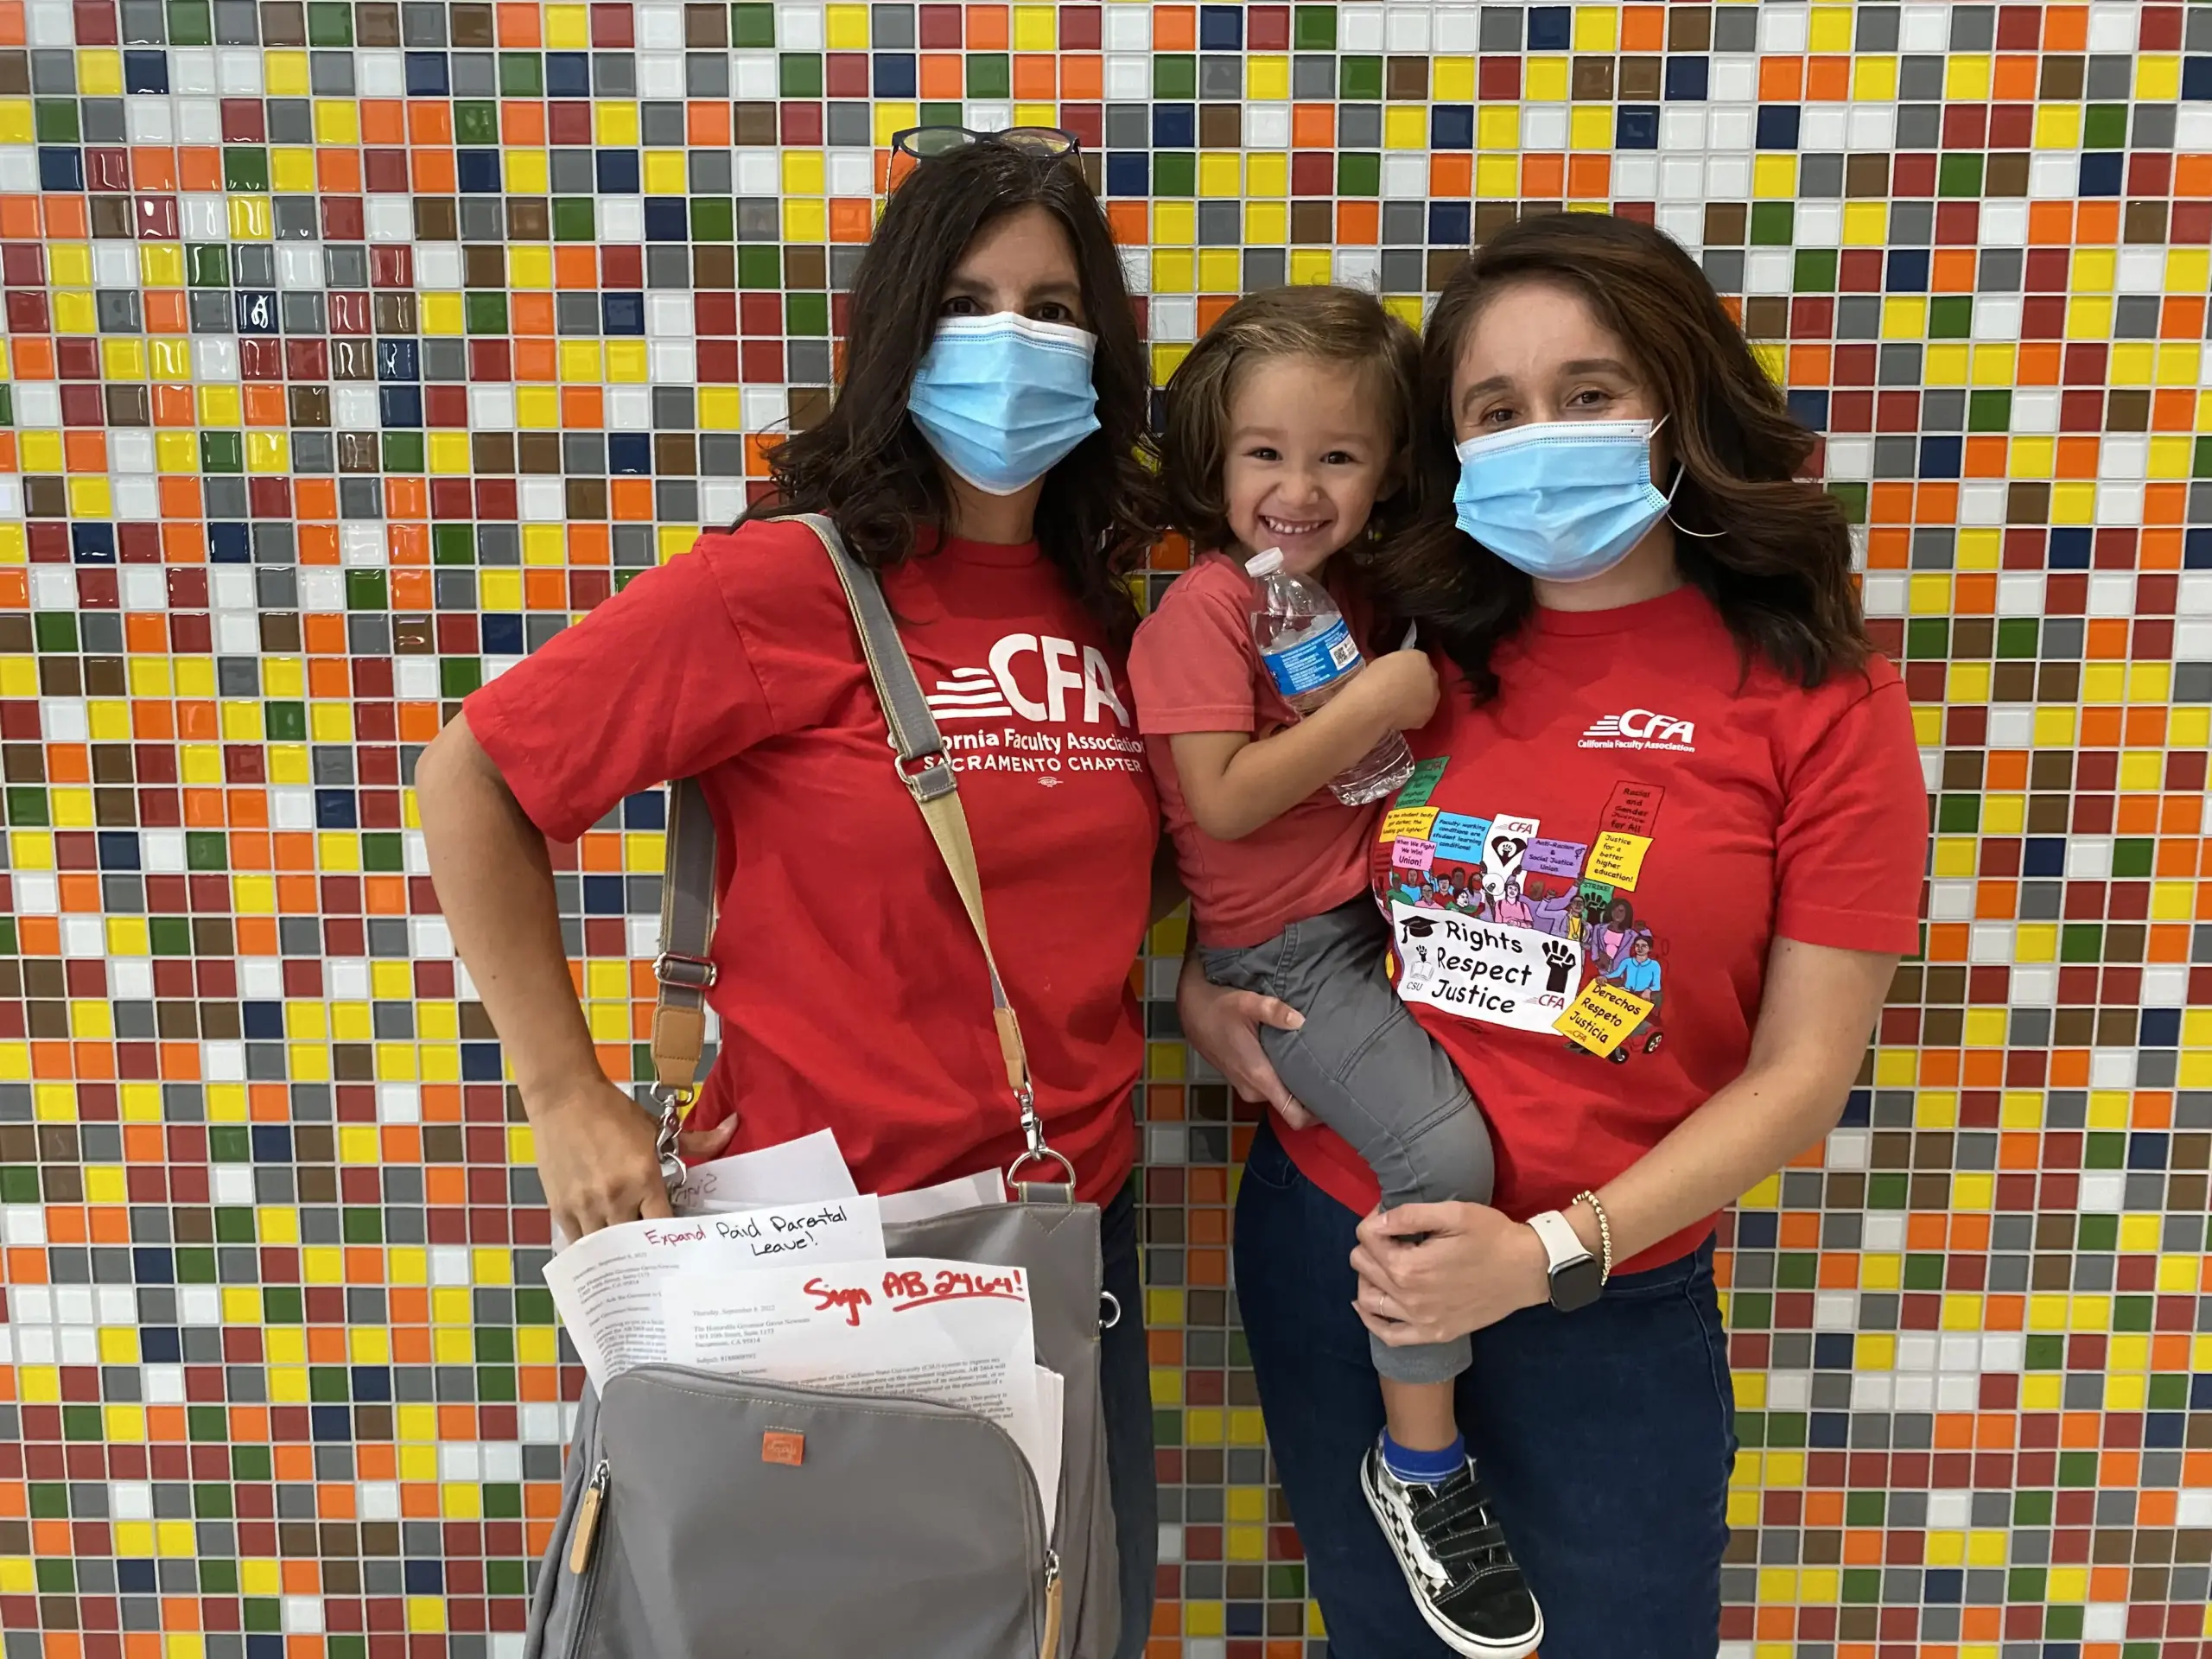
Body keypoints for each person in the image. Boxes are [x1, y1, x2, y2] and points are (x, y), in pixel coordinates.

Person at [414, 130, 1165, 1657]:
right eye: (968, 301)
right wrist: (565, 1092)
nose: (1014, 342)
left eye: (1054, 306)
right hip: (823, 1256)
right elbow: (473, 781)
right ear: (896, 333)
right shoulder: (785, 586)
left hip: (1065, 1241)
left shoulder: (1119, 600)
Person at [1178, 211, 1930, 1656]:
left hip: (1604, 1297)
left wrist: (1544, 1255)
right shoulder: (1407, 656)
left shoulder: (1820, 696)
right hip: (1348, 1249)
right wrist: (1208, 989)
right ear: (1448, 454)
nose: (1544, 436)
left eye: (1589, 395)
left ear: (1679, 402)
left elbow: (1802, 1074)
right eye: (1496, 409)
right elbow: (1254, 849)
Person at [1128, 286, 1541, 1656]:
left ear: (1392, 468)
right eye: (1264, 454)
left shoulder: (1368, 593)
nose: (1296, 489)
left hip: (1389, 920)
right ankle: (1419, 1468)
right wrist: (1377, 702)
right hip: (1288, 953)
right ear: (1213, 456)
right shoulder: (1202, 611)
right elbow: (1227, 803)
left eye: (1338, 457)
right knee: (1445, 1152)